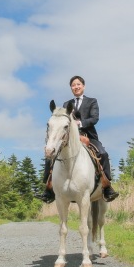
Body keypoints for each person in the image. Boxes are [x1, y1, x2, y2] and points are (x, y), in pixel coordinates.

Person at [38, 75, 119, 203]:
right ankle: (48, 188)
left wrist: (79, 124)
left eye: (78, 84)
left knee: (103, 153)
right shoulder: (66, 104)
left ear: (83, 86)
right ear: (71, 88)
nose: (76, 87)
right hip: (69, 138)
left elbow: (94, 118)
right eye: (73, 85)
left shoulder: (92, 101)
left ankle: (106, 186)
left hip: (88, 136)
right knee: (51, 154)